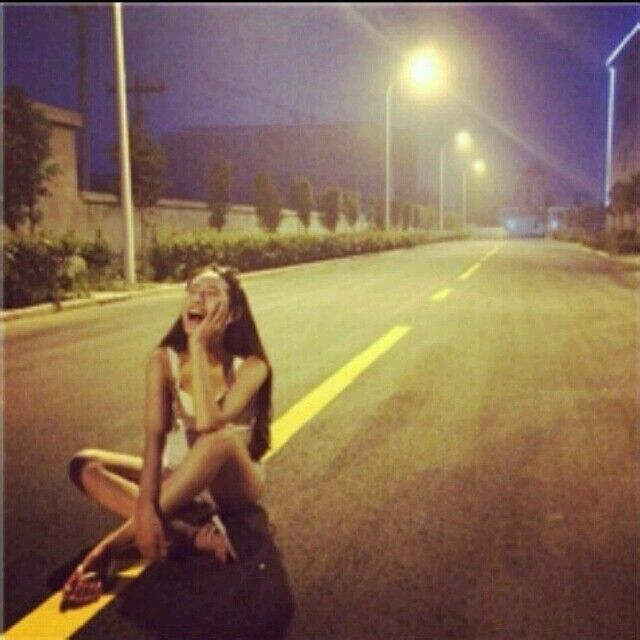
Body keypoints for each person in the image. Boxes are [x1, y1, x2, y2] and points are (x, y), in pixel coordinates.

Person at [62, 264, 273, 606]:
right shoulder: (163, 360)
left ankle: (108, 549)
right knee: (85, 465)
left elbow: (208, 423)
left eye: (211, 294)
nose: (198, 299)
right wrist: (147, 505)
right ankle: (189, 535)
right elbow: (154, 439)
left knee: (218, 438)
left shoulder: (251, 366)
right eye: (193, 291)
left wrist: (199, 345)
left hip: (233, 484)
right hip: (178, 476)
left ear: (233, 314)